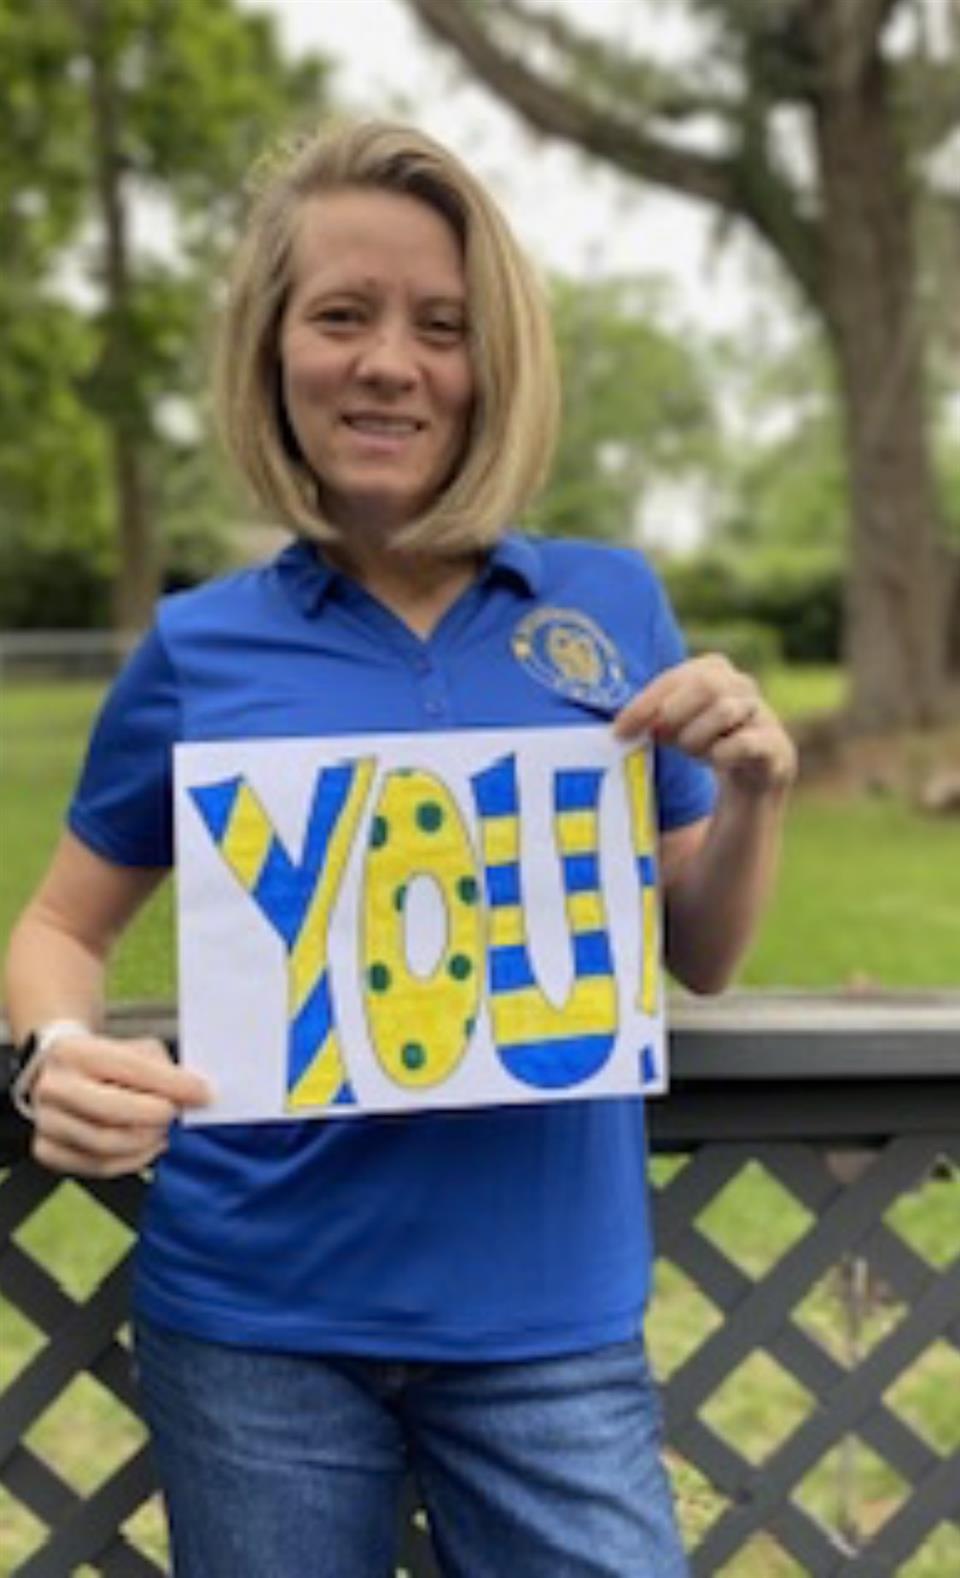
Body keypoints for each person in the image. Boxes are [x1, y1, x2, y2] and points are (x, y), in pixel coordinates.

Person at [3, 120, 797, 1577]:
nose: (389, 363)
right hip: (254, 1327)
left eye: (442, 325)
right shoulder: (198, 645)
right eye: (340, 316)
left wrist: (754, 791)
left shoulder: (611, 607)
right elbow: (61, 923)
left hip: (551, 1326)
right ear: (272, 351)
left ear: (498, 361)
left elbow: (704, 951)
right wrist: (53, 1049)